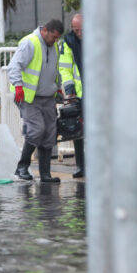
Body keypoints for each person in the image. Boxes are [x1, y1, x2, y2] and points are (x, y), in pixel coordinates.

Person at [9, 19, 64, 184]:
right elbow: (14, 66)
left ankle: (45, 174)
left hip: (47, 96)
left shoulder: (53, 45)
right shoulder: (29, 43)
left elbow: (55, 69)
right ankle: (21, 168)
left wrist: (58, 87)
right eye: (53, 37)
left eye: (57, 38)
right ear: (45, 30)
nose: (55, 41)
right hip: (28, 96)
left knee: (49, 133)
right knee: (37, 130)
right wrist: (18, 86)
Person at [58, 13, 84, 178]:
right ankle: (81, 165)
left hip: (99, 93)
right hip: (79, 94)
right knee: (77, 131)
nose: (79, 34)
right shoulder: (68, 42)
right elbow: (65, 68)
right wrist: (70, 90)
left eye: (81, 30)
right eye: (76, 30)